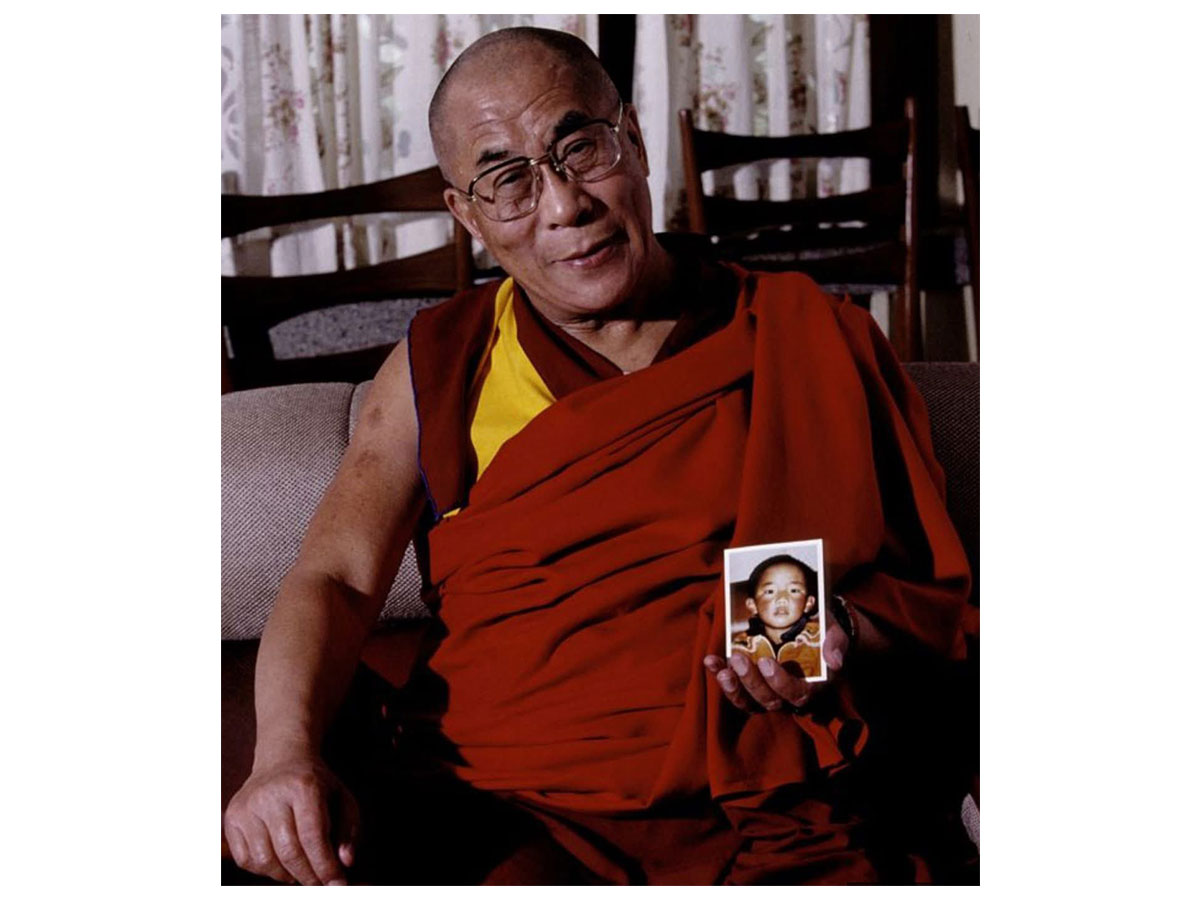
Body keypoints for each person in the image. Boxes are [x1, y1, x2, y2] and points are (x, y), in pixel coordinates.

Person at [223, 26, 975, 885]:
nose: (563, 204)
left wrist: (841, 629)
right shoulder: (443, 362)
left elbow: (926, 597)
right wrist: (280, 758)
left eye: (581, 148)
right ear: (465, 214)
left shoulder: (801, 336)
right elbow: (337, 579)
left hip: (771, 802)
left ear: (638, 144)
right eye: (506, 179)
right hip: (500, 805)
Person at [731, 555, 823, 678]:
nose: (782, 599)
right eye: (770, 591)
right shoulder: (740, 647)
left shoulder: (819, 640)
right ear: (752, 605)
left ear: (808, 603)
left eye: (794, 590)